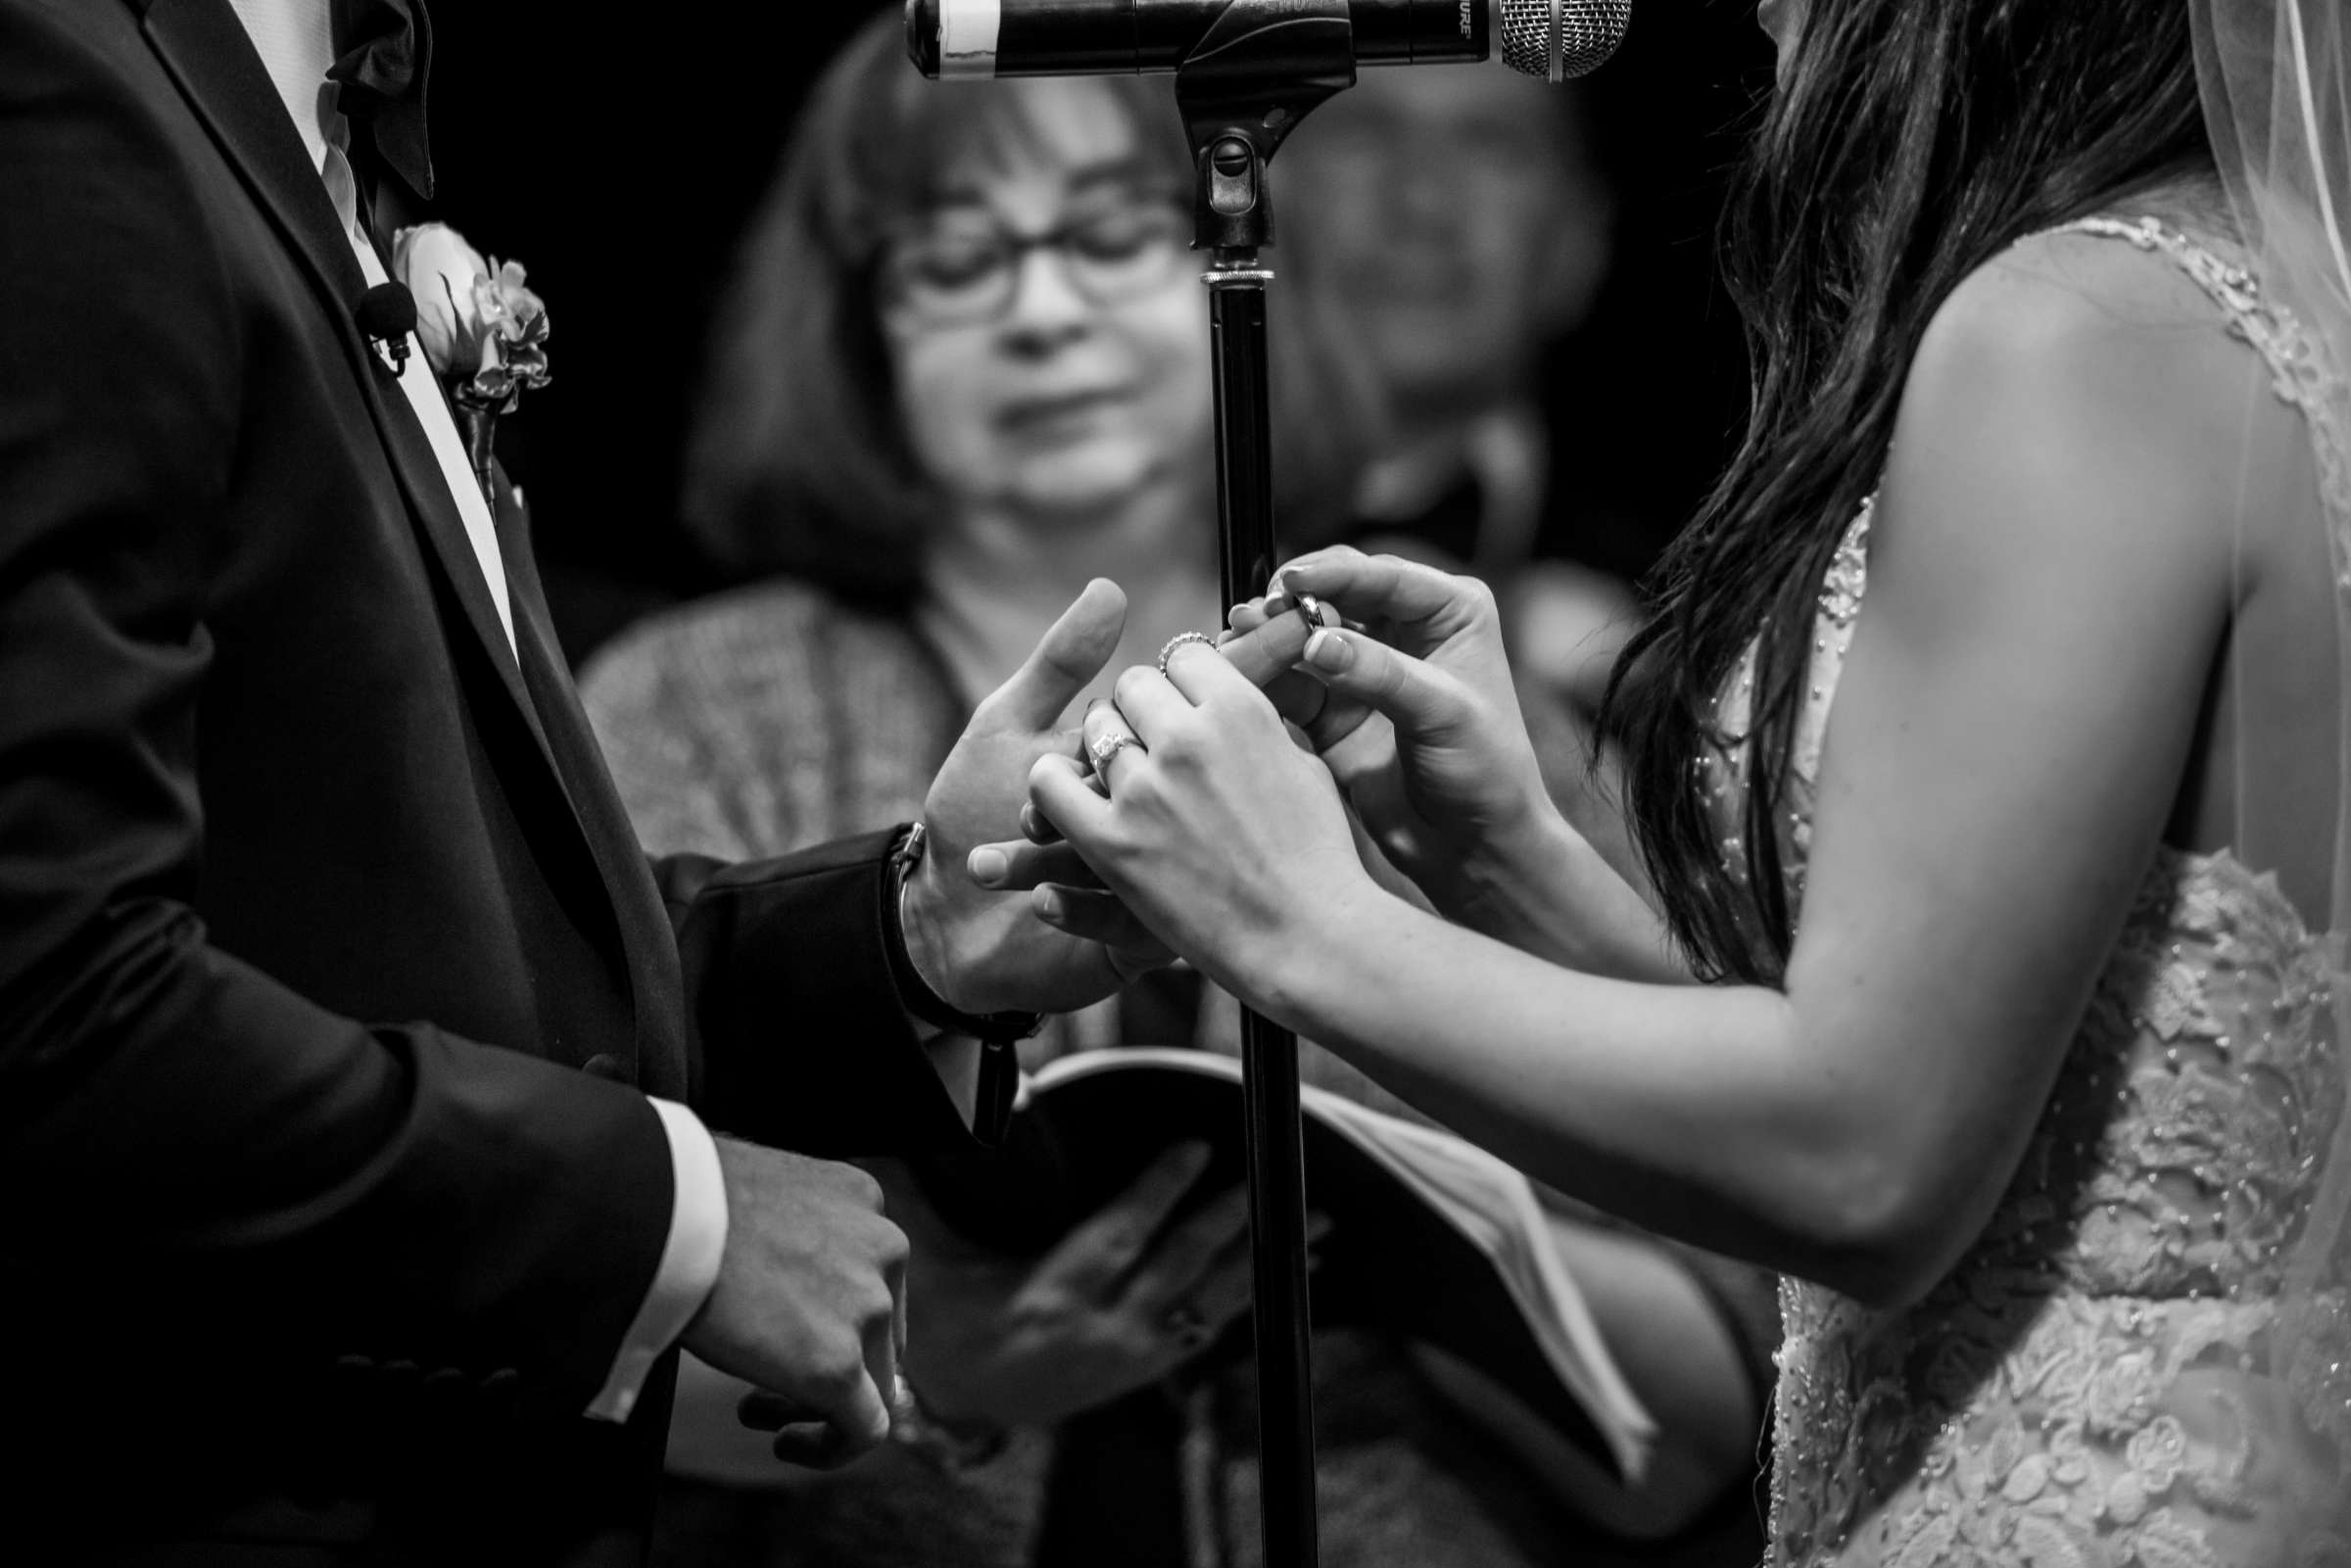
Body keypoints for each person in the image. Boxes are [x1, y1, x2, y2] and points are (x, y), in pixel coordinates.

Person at [999, 0, 2351, 1561]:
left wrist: (1291, 921)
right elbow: (2007, 1116)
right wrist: (1508, 869)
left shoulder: (2078, 338)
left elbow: (1869, 1168)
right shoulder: (2244, 300)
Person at [580, 12, 1772, 1565]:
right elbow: (558, 1288)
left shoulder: (1424, 686)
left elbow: (1732, 1380)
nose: (1043, 311)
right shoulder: (693, 704)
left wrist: (1410, 1256)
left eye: (1104, 233)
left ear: (1230, 260)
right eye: (955, 261)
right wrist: (945, 1364)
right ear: (860, 331)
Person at [0, 1, 1165, 1561]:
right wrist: (671, 1214)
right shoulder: (63, 80)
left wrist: (908, 942)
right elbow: (43, 989)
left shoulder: (329, 118)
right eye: (959, 259)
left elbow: (423, 944)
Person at [1277, 55, 1645, 716]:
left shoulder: (1676, 606)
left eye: (1491, 142)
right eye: (1365, 131)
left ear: (1580, 240)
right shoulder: (1123, 539)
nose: (1422, 203)